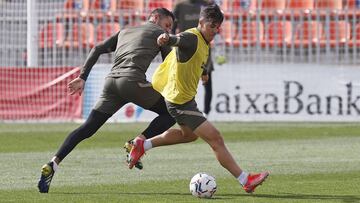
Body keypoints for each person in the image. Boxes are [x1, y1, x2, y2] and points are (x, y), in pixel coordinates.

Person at [37, 8, 182, 193]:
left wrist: (83, 77)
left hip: (111, 83)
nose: (168, 30)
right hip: (132, 82)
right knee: (171, 112)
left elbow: (97, 48)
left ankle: (53, 163)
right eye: (167, 25)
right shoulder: (160, 35)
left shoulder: (125, 31)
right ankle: (136, 142)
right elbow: (169, 63)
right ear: (155, 18)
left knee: (87, 129)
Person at [128, 4, 269, 193]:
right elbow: (177, 40)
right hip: (180, 102)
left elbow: (192, 57)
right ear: (201, 22)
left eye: (218, 27)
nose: (216, 31)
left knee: (189, 136)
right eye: (212, 26)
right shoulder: (191, 37)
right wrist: (166, 38)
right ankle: (246, 180)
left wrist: (203, 72)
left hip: (182, 99)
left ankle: (142, 145)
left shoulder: (203, 41)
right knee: (216, 139)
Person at [172, 0, 215, 116]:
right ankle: (181, 111)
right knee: (182, 82)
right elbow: (172, 27)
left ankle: (206, 114)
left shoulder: (206, 5)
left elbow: (214, 25)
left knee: (207, 81)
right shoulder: (180, 6)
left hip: (204, 48)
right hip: (184, 48)